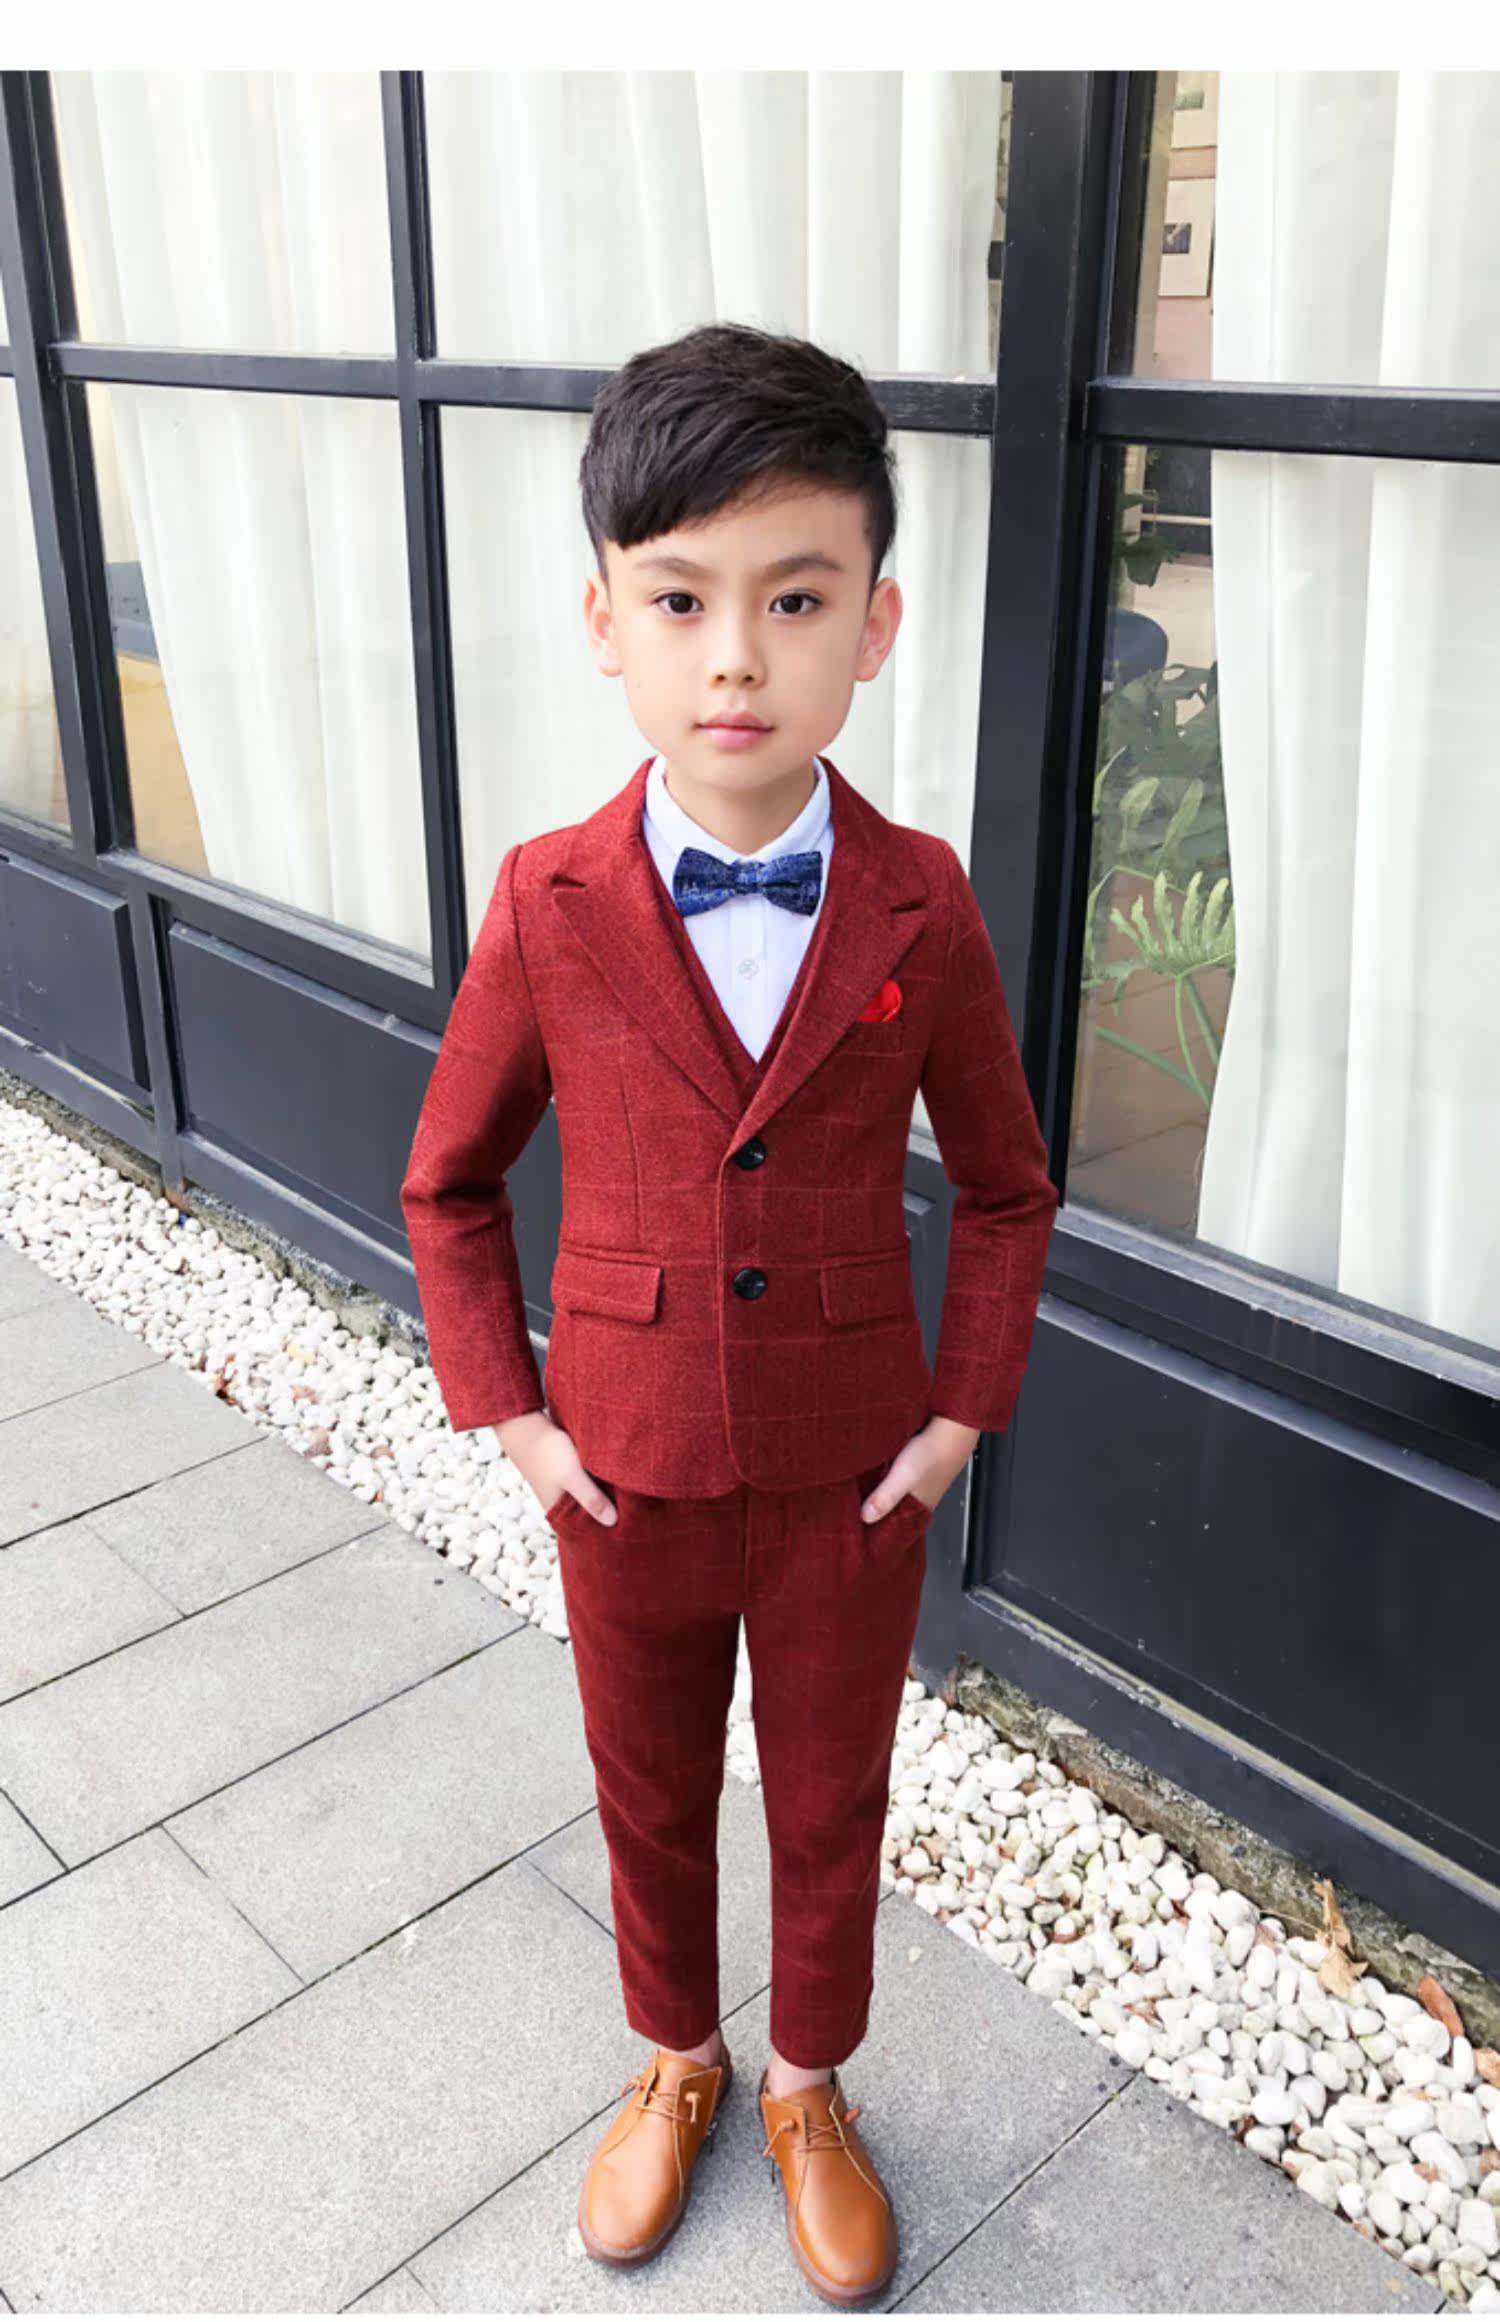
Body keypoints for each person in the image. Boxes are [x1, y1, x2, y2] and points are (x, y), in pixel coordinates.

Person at [399, 319, 1059, 2307]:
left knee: (836, 1795)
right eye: (682, 601)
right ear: (604, 620)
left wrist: (957, 1418)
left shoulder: (924, 901)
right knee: (651, 1783)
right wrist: (519, 1421)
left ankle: (809, 2083)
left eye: (796, 598)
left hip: (857, 1474)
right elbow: (447, 1180)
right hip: (625, 1467)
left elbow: (1009, 1186)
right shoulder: (549, 900)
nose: (738, 660)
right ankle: (677, 2055)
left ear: (877, 623)